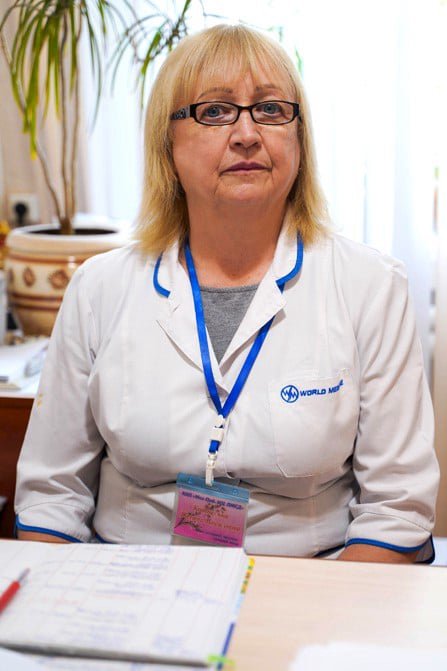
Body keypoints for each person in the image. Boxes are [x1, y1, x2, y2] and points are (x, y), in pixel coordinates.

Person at [15, 24, 439, 562]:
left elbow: (397, 506)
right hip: (127, 576)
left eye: (270, 109)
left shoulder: (371, 285)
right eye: (214, 111)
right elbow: (52, 494)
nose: (246, 133)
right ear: (167, 145)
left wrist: (319, 608)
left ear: (300, 141)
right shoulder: (99, 288)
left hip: (313, 577)